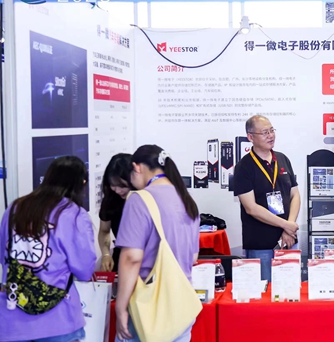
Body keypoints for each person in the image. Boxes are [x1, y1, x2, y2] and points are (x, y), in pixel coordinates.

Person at [0, 156, 96, 342]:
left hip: (12, 320)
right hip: (58, 320)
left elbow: (3, 255)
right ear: (81, 183)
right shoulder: (73, 214)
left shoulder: (14, 208)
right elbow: (84, 270)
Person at [115, 145, 200, 342]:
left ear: (137, 167)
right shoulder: (186, 199)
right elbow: (193, 256)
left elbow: (131, 258)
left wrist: (120, 307)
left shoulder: (139, 199)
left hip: (151, 305)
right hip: (183, 303)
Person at [233, 115, 300, 282]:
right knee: (264, 293)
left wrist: (288, 228)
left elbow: (295, 195)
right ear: (250, 137)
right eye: (264, 132)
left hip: (288, 240)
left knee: (290, 290)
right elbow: (251, 208)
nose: (270, 136)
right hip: (261, 244)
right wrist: (286, 225)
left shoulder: (282, 159)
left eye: (271, 130)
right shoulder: (244, 167)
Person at [98, 153, 133, 272]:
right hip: (121, 256)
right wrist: (106, 255)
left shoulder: (143, 199)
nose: (118, 190)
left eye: (122, 186)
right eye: (113, 185)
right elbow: (104, 231)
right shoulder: (111, 198)